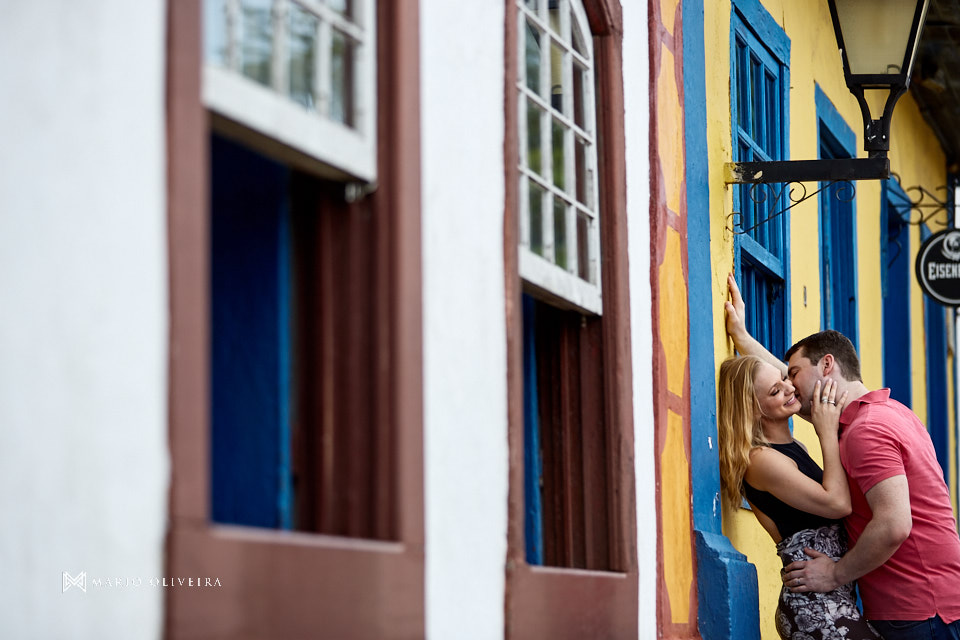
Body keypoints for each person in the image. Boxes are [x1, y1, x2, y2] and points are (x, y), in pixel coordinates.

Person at [725, 273, 960, 640]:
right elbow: (777, 393)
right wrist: (742, 338)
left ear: (828, 367)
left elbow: (894, 524)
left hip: (919, 610)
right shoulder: (887, 413)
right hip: (918, 605)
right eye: (783, 382)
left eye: (795, 374)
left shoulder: (866, 430)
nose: (791, 386)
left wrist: (836, 573)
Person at [718, 354, 880, 639]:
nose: (789, 388)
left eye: (784, 379)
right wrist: (827, 432)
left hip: (832, 595)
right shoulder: (762, 460)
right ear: (753, 410)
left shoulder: (795, 447)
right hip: (812, 605)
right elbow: (838, 504)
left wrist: (744, 338)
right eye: (775, 391)